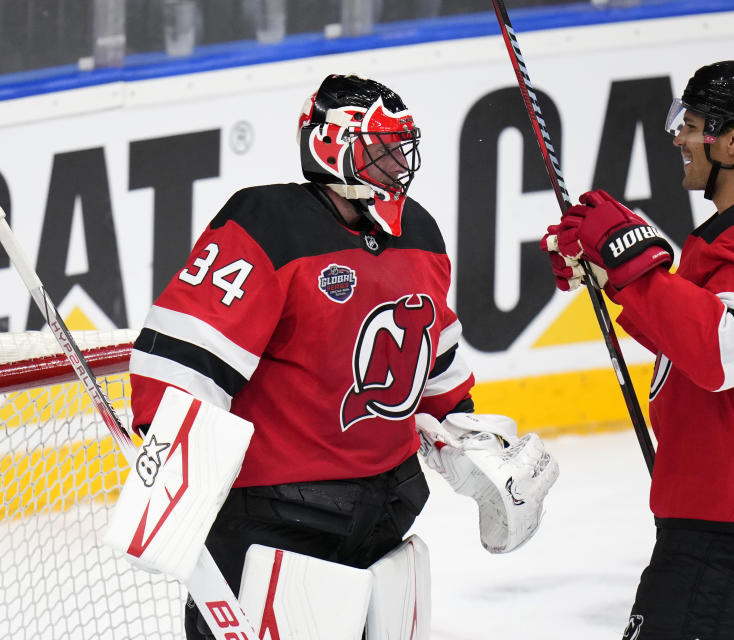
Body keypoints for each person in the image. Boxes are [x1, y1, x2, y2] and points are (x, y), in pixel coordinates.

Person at [129, 73, 558, 639]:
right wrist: (172, 471)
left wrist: (472, 440)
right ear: (332, 146)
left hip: (386, 517)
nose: (397, 162)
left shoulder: (419, 232)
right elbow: (182, 356)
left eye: (400, 147)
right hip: (278, 524)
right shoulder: (267, 224)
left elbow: (434, 360)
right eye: (380, 148)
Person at [541, 60, 734, 639]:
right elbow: (697, 336)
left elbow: (727, 351)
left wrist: (634, 269)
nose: (678, 137)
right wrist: (616, 275)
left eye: (691, 125)